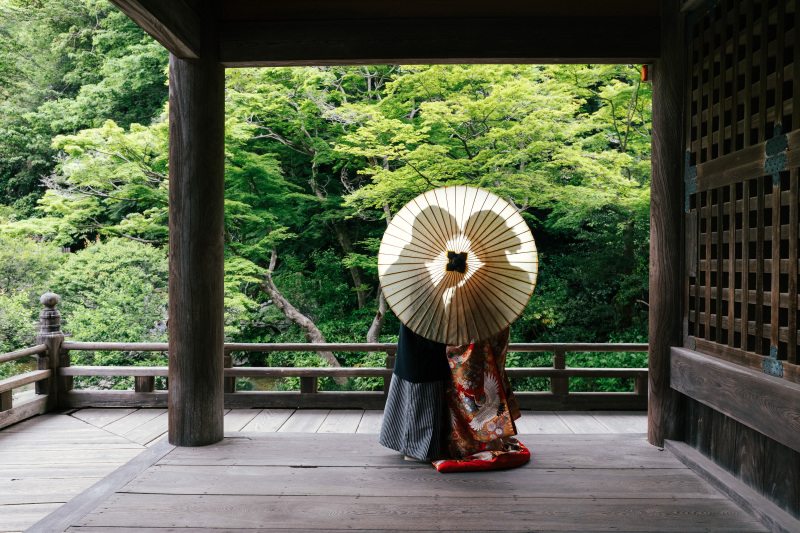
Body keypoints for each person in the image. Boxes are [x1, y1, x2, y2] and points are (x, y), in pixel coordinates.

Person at [380, 322, 529, 471]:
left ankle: (411, 448)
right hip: (423, 360)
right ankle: (415, 451)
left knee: (413, 406)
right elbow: (431, 335)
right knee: (419, 405)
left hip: (416, 357)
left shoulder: (414, 306)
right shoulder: (422, 308)